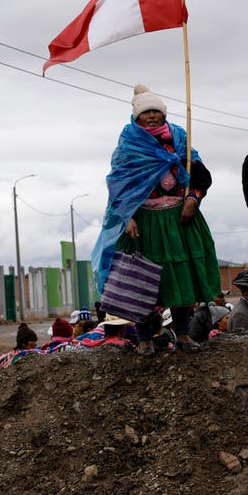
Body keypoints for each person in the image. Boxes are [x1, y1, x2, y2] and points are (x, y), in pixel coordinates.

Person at [93, 85, 221, 356]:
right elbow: (119, 186)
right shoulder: (129, 146)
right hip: (144, 223)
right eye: (146, 112)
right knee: (144, 281)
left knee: (181, 277)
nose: (152, 116)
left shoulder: (178, 138)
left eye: (156, 111)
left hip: (179, 220)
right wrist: (126, 217)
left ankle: (184, 335)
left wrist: (192, 200)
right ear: (136, 117)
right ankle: (144, 339)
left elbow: (201, 175)